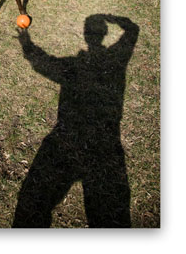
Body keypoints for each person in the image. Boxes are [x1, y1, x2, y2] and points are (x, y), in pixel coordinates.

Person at [13, 14, 139, 228]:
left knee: (33, 203)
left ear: (85, 35)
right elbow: (132, 30)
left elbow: (43, 63)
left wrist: (26, 44)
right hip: (106, 145)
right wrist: (112, 18)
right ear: (105, 34)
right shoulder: (116, 61)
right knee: (109, 218)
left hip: (65, 141)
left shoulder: (73, 68)